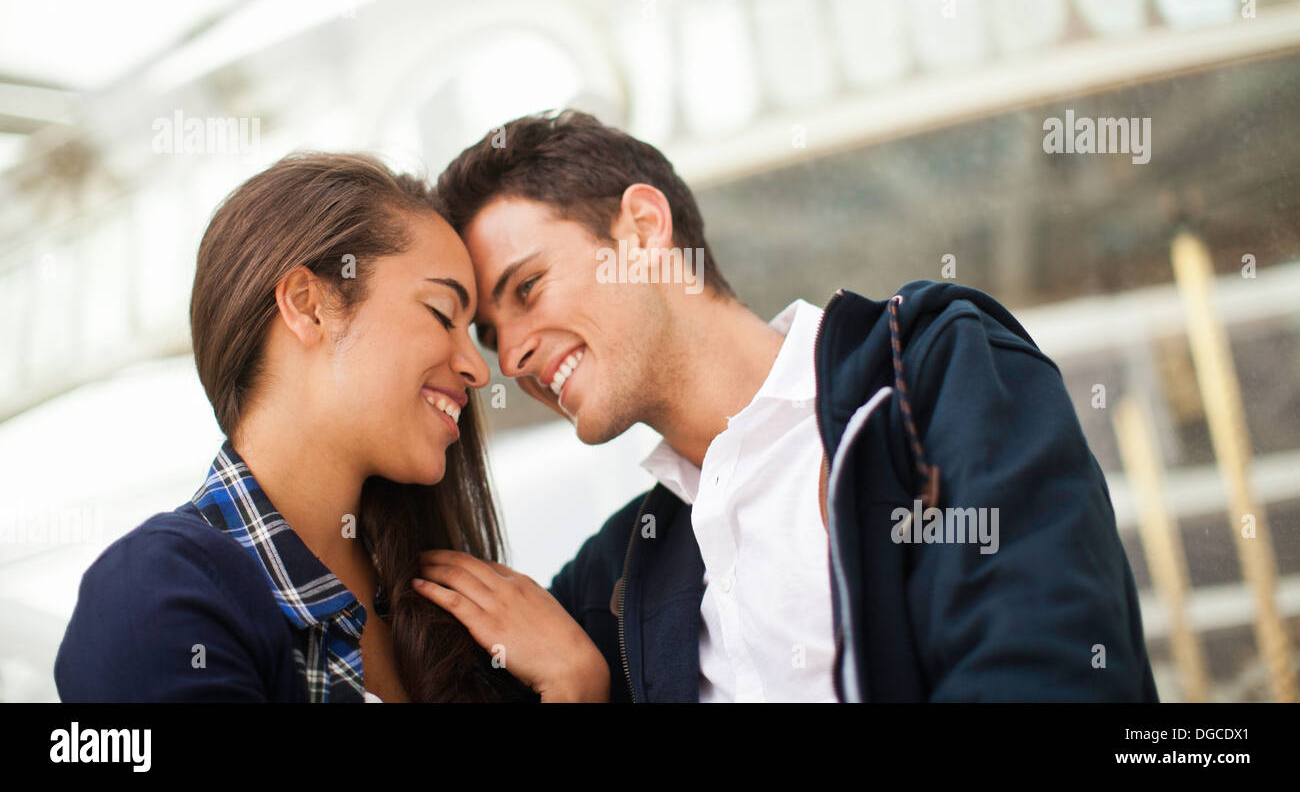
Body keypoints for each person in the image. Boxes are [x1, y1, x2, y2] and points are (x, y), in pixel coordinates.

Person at [418, 109, 1160, 702]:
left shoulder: (929, 375)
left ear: (642, 229)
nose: (509, 357)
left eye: (528, 288)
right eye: (490, 334)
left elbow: (1047, 662)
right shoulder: (616, 578)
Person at [54, 152, 607, 702]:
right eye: (442, 312)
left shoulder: (464, 612)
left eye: (473, 331)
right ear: (308, 305)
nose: (479, 369)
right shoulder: (157, 592)